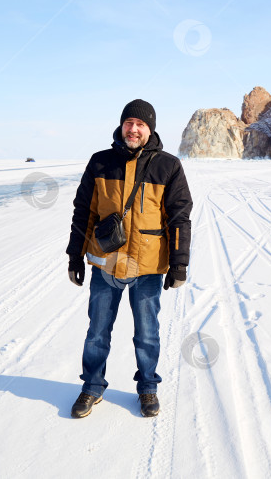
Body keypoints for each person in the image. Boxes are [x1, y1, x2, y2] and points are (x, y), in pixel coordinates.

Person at [66, 99, 192, 419]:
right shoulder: (100, 162)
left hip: (147, 267)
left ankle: (148, 387)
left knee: (147, 332)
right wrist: (75, 257)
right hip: (106, 264)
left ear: (150, 129)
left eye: (140, 124)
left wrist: (179, 263)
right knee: (97, 331)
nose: (133, 129)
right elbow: (84, 212)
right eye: (128, 123)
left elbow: (180, 218)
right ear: (121, 126)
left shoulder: (168, 166)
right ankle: (92, 387)